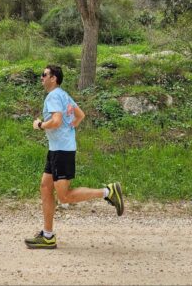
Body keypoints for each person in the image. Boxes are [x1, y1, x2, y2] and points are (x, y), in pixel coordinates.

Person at [24, 65, 124, 249]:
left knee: (64, 196)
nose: (41, 78)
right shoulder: (64, 95)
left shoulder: (54, 96)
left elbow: (56, 121)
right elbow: (80, 115)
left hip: (61, 152)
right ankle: (47, 236)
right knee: (45, 187)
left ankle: (108, 192)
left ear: (53, 78)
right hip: (57, 149)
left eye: (44, 74)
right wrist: (68, 130)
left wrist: (40, 125)